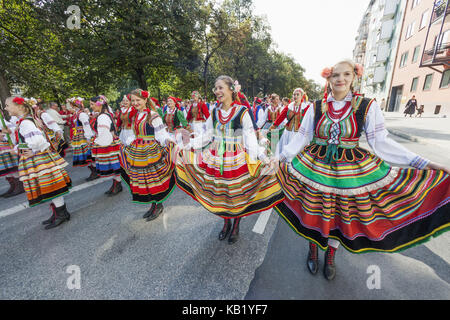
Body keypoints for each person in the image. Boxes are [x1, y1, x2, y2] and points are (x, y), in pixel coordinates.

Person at [274, 59, 450, 281]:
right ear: (328, 79)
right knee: (315, 210)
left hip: (349, 173)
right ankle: (313, 248)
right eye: (336, 75)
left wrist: (423, 163)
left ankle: (330, 254)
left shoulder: (367, 106)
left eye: (346, 74)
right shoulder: (316, 106)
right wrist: (279, 158)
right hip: (314, 168)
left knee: (338, 216)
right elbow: (301, 136)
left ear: (354, 77)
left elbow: (381, 142)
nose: (341, 79)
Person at [176, 75, 284, 244]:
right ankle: (226, 222)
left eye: (220, 88)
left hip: (236, 158)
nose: (217, 91)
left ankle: (236, 225)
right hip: (216, 158)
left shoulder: (242, 112)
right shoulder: (214, 112)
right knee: (221, 193)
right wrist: (187, 145)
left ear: (231, 90)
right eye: (215, 88)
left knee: (236, 194)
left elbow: (249, 140)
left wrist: (264, 157)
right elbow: (207, 136)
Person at [5, 97, 72, 229]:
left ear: (18, 107)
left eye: (7, 105)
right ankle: (59, 212)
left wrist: (19, 149)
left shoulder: (25, 122)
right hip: (38, 157)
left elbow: (38, 141)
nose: (5, 108)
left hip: (38, 158)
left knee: (50, 185)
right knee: (49, 185)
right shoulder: (26, 120)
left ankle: (62, 214)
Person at [119, 89, 178, 221]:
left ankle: (158, 204)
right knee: (144, 179)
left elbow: (161, 134)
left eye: (138, 100)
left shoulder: (153, 116)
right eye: (133, 100)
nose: (135, 103)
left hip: (150, 151)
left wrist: (170, 142)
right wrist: (126, 143)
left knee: (152, 178)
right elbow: (134, 134)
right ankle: (153, 204)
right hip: (138, 150)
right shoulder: (135, 116)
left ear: (145, 100)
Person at [90, 95, 123, 196]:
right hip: (110, 141)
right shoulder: (104, 114)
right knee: (114, 165)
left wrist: (98, 142)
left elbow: (104, 133)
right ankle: (116, 184)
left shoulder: (103, 116)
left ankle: (117, 185)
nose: (91, 106)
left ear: (99, 104)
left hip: (108, 143)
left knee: (114, 165)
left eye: (92, 104)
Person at [68, 97, 97, 180]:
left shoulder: (81, 114)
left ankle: (95, 172)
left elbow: (86, 126)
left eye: (71, 105)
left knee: (89, 155)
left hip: (84, 136)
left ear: (74, 106)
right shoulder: (77, 114)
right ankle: (94, 171)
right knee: (86, 155)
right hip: (79, 136)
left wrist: (88, 138)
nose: (70, 107)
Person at [0, 111, 24, 198]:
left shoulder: (2, 121)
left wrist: (5, 133)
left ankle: (19, 186)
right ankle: (13, 186)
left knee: (11, 167)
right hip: (2, 147)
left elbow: (13, 130)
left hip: (5, 146)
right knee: (6, 169)